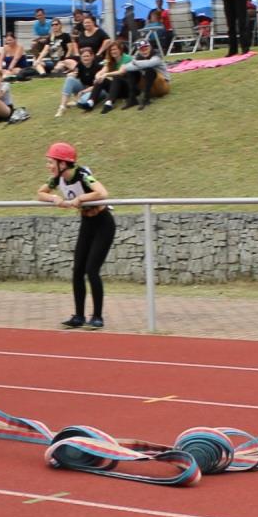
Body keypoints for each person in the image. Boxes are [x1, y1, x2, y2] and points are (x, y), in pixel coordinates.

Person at [38, 142, 113, 329]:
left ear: (63, 164)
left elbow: (103, 193)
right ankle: (78, 316)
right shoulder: (57, 179)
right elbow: (40, 193)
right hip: (87, 224)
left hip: (103, 223)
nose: (48, 166)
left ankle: (97, 317)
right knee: (78, 270)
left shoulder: (82, 174)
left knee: (91, 270)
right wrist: (55, 198)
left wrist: (80, 198)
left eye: (51, 162)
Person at [113, 39, 169, 110]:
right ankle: (132, 99)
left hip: (162, 86)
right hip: (150, 88)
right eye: (142, 49)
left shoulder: (156, 54)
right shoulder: (139, 57)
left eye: (146, 48)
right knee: (131, 72)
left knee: (149, 70)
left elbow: (150, 63)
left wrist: (134, 62)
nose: (144, 51)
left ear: (150, 47)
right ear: (139, 50)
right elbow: (128, 68)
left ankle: (146, 98)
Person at [57, 46, 101, 116]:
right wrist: (71, 75)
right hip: (84, 87)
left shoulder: (98, 67)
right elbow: (76, 74)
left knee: (83, 101)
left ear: (92, 56)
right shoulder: (80, 65)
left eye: (87, 56)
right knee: (70, 79)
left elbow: (97, 85)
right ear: (81, 57)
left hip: (95, 90)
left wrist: (83, 91)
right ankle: (62, 106)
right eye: (83, 56)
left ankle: (77, 101)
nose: (86, 58)